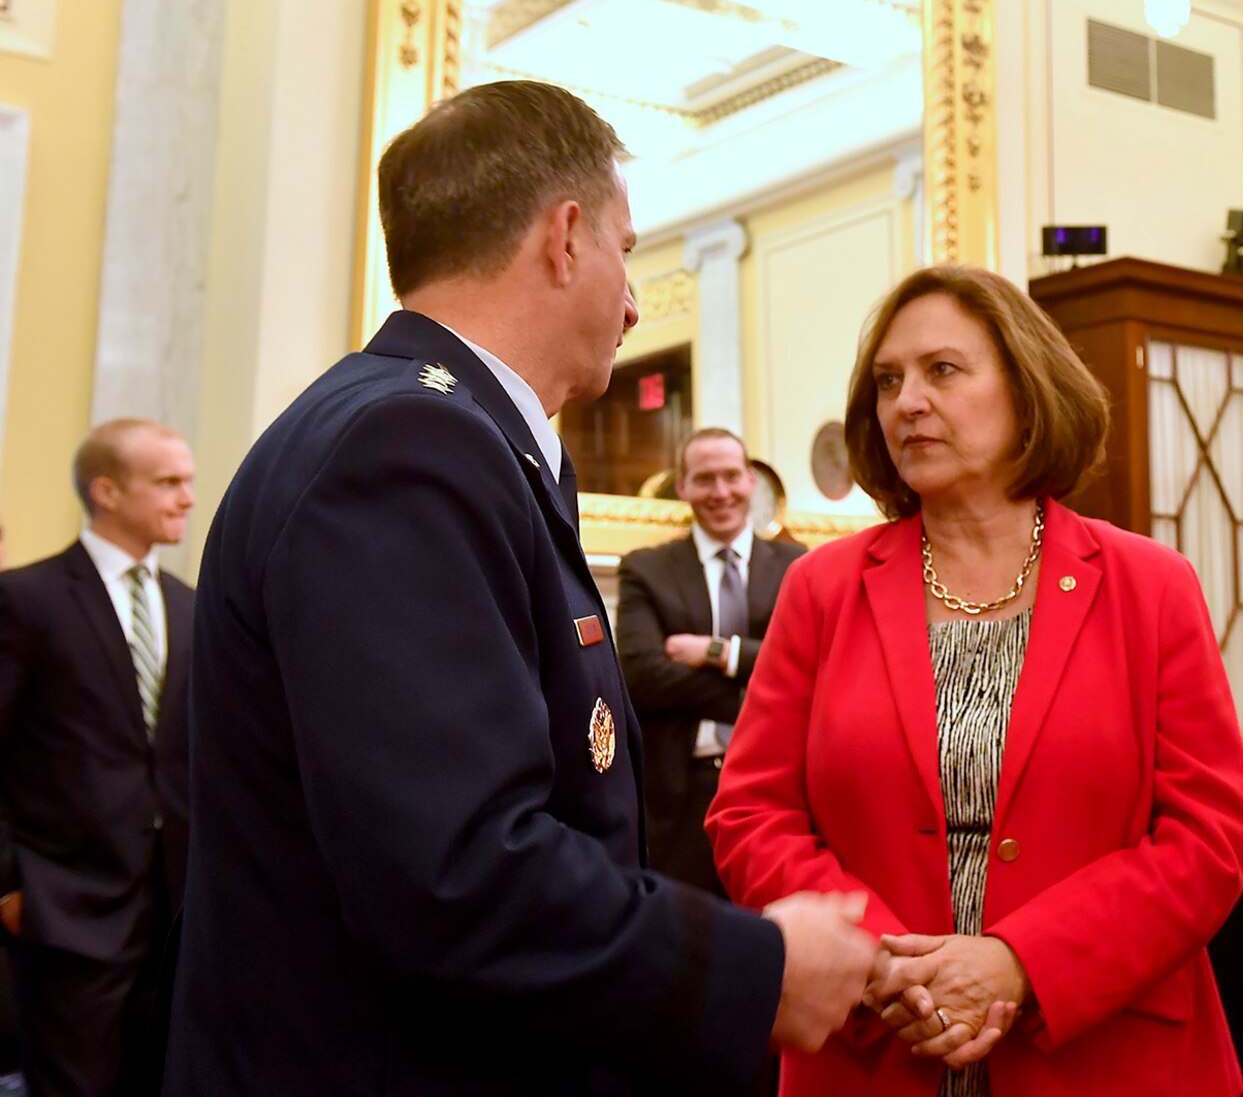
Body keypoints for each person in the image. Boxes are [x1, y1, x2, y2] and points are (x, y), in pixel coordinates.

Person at [164, 80, 874, 1097]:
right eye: (627, 251)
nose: (632, 302)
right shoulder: (409, 444)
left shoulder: (435, 432)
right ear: (566, 236)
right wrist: (752, 968)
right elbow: (455, 868)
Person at [707, 265, 1243, 1097]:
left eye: (943, 370)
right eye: (888, 381)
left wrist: (1022, 961)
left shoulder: (1151, 583)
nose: (907, 402)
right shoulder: (821, 588)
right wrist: (890, 961)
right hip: (876, 1042)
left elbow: (1207, 835)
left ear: (1027, 390)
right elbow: (752, 815)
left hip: (1105, 1052)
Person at [0, 420, 194, 1096]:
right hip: (65, 910)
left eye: (188, 481)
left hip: (172, 911)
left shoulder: (188, 605)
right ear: (107, 490)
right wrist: (9, 882)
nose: (187, 498)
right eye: (168, 481)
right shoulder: (28, 598)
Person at [617, 427, 806, 895]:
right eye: (704, 479)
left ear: (752, 482)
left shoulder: (797, 567)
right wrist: (758, 692)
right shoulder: (647, 569)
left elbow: (812, 670)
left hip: (778, 793)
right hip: (679, 799)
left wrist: (715, 652)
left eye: (731, 477)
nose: (720, 493)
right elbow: (642, 676)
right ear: (682, 488)